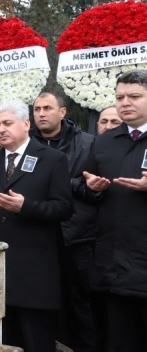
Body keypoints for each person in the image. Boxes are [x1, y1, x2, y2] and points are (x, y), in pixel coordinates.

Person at [0, 100, 73, 352]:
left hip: (35, 273)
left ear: (26, 124)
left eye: (7, 123)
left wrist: (27, 207)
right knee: (6, 343)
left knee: (37, 342)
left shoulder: (52, 159)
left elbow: (65, 208)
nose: (1, 129)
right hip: (0, 270)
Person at [82, 70, 147, 351]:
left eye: (135, 96)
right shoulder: (105, 142)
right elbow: (84, 189)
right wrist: (93, 189)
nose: (125, 102)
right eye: (120, 97)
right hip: (113, 266)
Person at [30, 92, 97, 351]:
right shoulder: (26, 145)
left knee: (79, 302)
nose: (41, 114)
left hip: (76, 236)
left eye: (48, 108)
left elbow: (97, 187)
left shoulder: (88, 144)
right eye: (37, 109)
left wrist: (70, 183)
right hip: (39, 235)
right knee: (44, 300)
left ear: (63, 112)